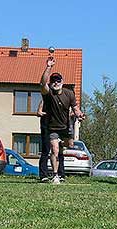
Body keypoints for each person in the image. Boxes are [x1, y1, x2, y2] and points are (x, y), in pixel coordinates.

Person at [40, 56, 85, 184]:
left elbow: (75, 108)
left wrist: (79, 114)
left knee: (69, 145)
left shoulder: (69, 94)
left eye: (58, 80)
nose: (55, 83)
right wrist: (48, 67)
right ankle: (55, 175)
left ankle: (60, 145)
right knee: (54, 149)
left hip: (65, 127)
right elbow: (43, 83)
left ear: (62, 82)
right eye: (53, 80)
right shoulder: (48, 93)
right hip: (52, 127)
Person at [37, 100, 64, 182]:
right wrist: (46, 114)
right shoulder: (44, 100)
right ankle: (43, 175)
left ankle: (60, 174)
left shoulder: (61, 100)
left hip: (58, 127)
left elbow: (69, 112)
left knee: (59, 151)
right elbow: (39, 113)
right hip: (46, 127)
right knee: (45, 150)